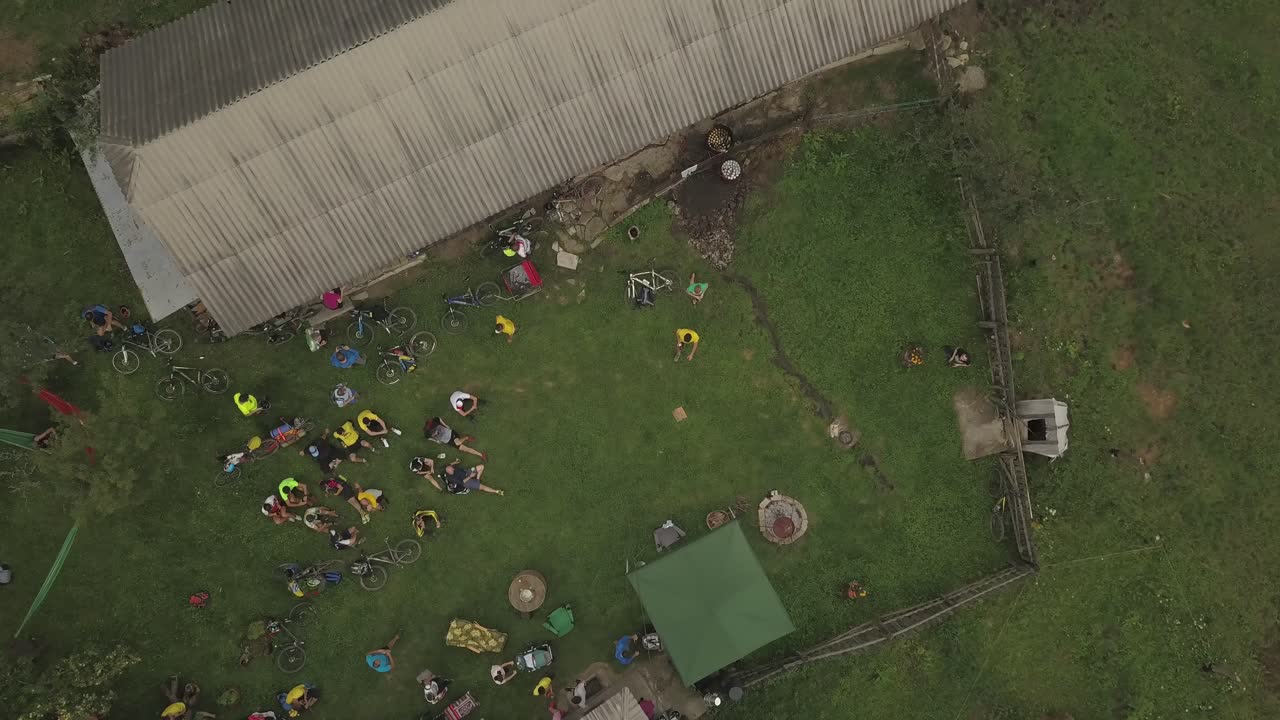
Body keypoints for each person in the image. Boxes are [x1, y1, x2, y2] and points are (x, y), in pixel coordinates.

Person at [423, 458, 504, 496]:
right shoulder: (451, 478)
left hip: (467, 472)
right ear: (448, 472)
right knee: (482, 487)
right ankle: (497, 491)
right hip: (466, 482)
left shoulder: (450, 468)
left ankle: (477, 479)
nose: (452, 468)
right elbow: (462, 482)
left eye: (451, 467)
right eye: (450, 469)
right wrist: (470, 476)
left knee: (481, 466)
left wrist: (456, 461)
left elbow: (451, 464)